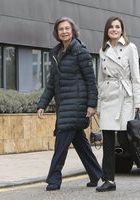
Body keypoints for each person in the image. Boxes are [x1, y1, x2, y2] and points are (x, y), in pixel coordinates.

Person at [37, 17, 103, 191]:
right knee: (80, 143)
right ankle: (96, 174)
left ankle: (53, 179)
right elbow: (52, 83)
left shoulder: (80, 52)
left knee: (61, 143)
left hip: (76, 105)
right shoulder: (57, 53)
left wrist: (91, 104)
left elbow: (91, 81)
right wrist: (42, 104)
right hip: (63, 105)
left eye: (67, 28)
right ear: (57, 33)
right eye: (61, 29)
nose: (64, 31)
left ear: (73, 31)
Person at [96, 16, 140, 192]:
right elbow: (100, 79)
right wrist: (99, 105)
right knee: (107, 140)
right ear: (107, 30)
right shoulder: (103, 50)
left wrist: (138, 101)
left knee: (125, 137)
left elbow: (136, 77)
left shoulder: (130, 48)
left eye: (117, 27)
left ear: (122, 30)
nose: (114, 29)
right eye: (111, 27)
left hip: (125, 97)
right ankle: (109, 180)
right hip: (108, 97)